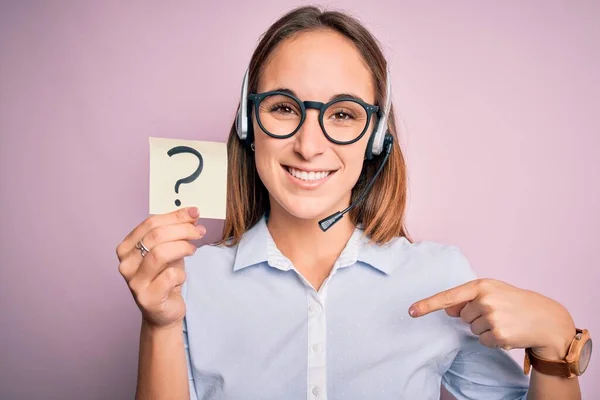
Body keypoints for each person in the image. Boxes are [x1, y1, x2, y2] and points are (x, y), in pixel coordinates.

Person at [116, 6, 592, 400]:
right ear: (247, 121)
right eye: (283, 107)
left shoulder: (438, 280)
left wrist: (557, 344)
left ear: (377, 136)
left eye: (343, 114)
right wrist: (159, 326)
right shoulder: (189, 282)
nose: (309, 144)